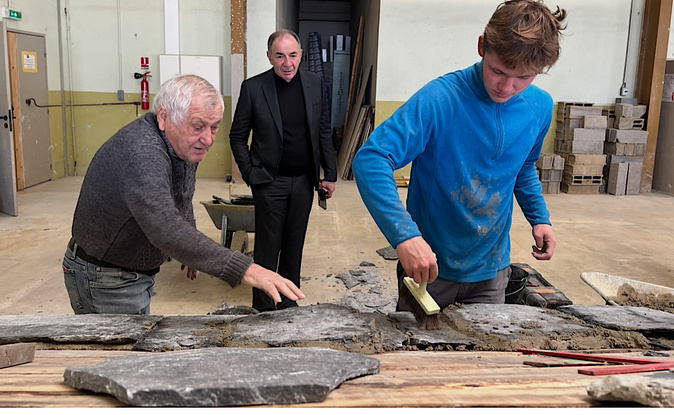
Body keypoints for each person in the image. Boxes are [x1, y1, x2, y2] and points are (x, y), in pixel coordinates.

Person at [353, 0, 566, 311]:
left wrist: (539, 218)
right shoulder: (440, 100)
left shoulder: (539, 107)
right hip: (429, 268)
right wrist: (405, 237)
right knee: (418, 352)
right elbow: (372, 159)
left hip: (492, 269)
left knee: (482, 353)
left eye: (524, 78)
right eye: (498, 71)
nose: (507, 87)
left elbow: (522, 168)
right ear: (482, 46)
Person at [63, 74, 304, 315]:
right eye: (198, 126)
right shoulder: (143, 154)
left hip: (129, 272)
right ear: (164, 118)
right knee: (123, 352)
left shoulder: (183, 144)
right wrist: (247, 269)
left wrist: (189, 246)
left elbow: (182, 194)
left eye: (214, 127)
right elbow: (164, 226)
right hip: (105, 278)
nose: (207, 139)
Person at [230, 29, 337, 312]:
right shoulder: (254, 88)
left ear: (301, 55)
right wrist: (250, 173)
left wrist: (330, 174)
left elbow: (323, 130)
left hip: (304, 182)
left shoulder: (315, 83)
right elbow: (237, 136)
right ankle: (264, 310)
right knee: (267, 249)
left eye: (292, 55)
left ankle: (289, 308)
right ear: (269, 57)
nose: (287, 63)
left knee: (294, 248)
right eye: (280, 56)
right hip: (269, 182)